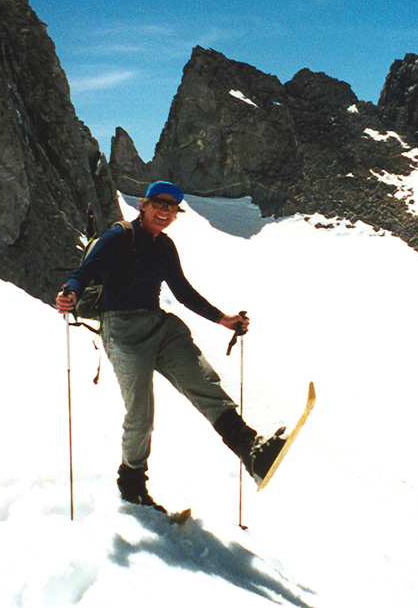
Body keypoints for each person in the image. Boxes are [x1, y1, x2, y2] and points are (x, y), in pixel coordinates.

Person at [55, 181, 284, 509]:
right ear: (144, 205)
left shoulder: (165, 247)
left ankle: (252, 451)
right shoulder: (119, 235)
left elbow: (183, 291)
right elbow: (84, 272)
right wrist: (70, 294)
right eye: (159, 204)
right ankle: (132, 484)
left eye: (172, 208)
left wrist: (224, 320)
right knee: (141, 415)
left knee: (203, 382)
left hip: (159, 325)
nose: (164, 212)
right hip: (122, 331)